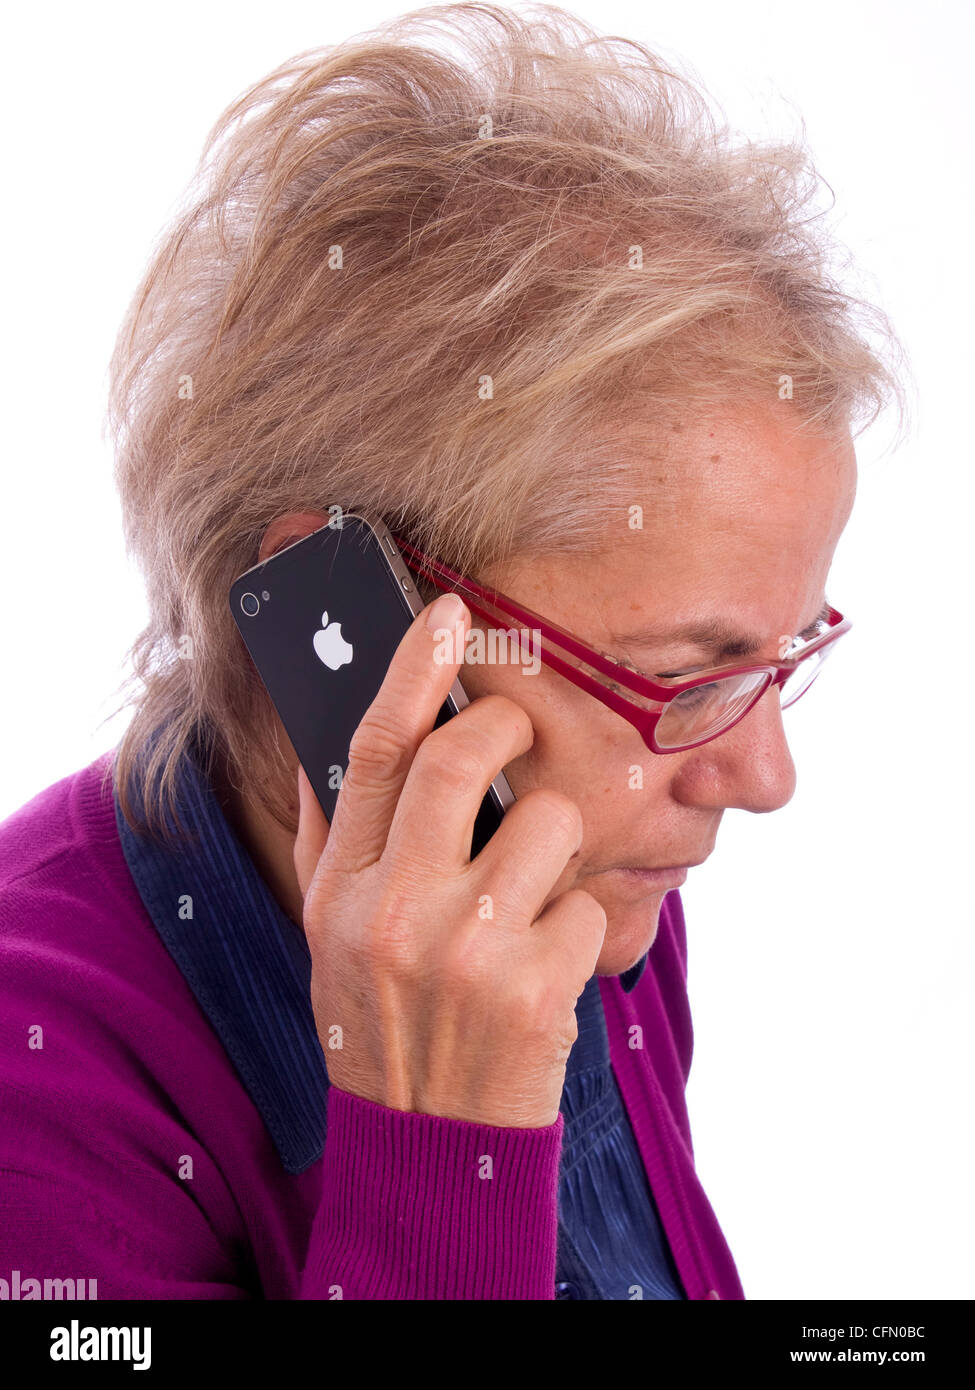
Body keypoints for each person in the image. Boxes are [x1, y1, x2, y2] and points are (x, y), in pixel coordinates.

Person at [0, 2, 905, 1300]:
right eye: (686, 672)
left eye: (774, 658)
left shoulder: (575, 899)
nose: (763, 774)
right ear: (342, 620)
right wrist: (442, 1148)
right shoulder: (39, 1115)